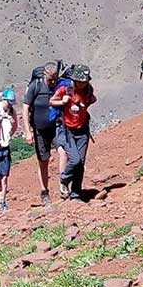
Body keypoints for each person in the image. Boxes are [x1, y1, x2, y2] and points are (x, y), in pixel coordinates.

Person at [50, 64, 95, 202]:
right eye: (80, 81)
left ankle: (76, 193)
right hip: (68, 130)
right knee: (74, 160)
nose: (82, 84)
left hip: (82, 130)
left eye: (85, 81)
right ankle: (64, 179)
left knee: (80, 163)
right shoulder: (65, 89)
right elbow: (51, 101)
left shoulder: (88, 90)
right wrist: (62, 101)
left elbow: (92, 99)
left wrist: (85, 105)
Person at [21, 63, 60, 206]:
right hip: (39, 130)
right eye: (50, 79)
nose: (53, 82)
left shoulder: (57, 86)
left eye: (55, 79)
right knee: (44, 161)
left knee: (64, 152)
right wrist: (27, 131)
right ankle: (44, 191)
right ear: (45, 75)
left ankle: (64, 185)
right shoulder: (35, 86)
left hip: (55, 127)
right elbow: (25, 108)